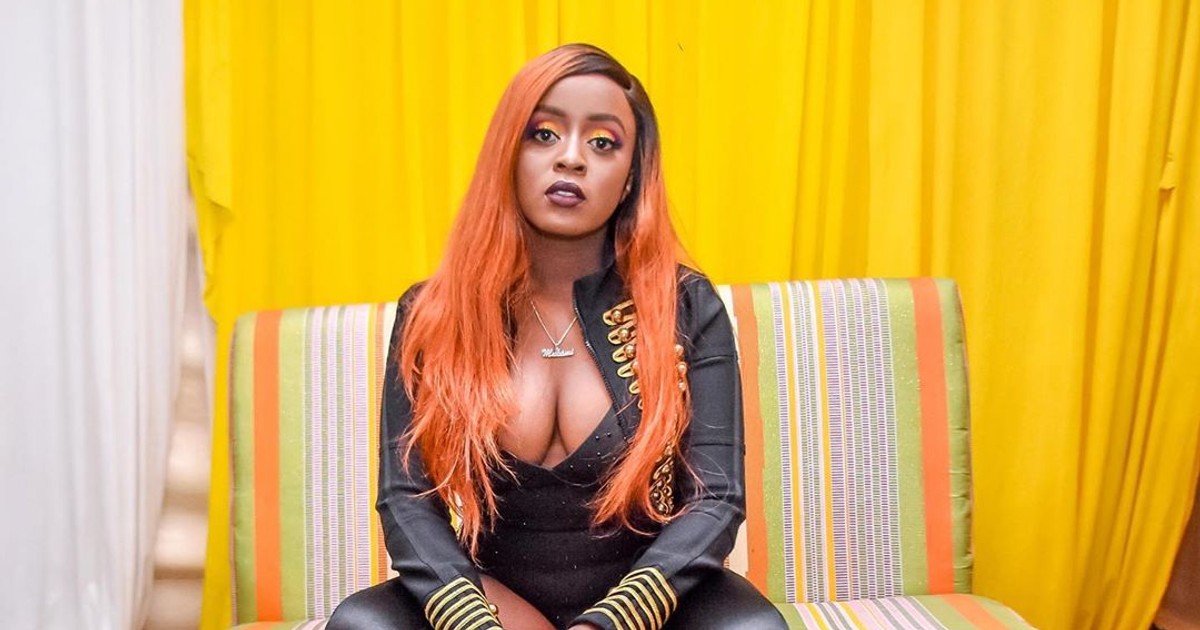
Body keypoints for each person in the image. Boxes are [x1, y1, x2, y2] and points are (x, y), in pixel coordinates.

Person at [329, 44, 787, 630]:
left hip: (653, 603)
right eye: (544, 134)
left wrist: (609, 622)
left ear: (631, 176)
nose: (571, 158)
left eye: (603, 143)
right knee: (360, 623)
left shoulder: (686, 307)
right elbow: (406, 500)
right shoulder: (432, 313)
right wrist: (476, 621)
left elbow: (716, 498)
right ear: (507, 154)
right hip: (491, 603)